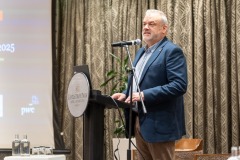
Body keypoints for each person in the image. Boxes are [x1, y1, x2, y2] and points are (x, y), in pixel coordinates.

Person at [111, 9, 188, 160]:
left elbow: (179, 85)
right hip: (140, 122)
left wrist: (144, 95)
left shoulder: (171, 51)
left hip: (160, 125)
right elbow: (139, 82)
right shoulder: (140, 53)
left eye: (151, 24)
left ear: (164, 29)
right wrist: (126, 94)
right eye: (144, 24)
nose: (146, 27)